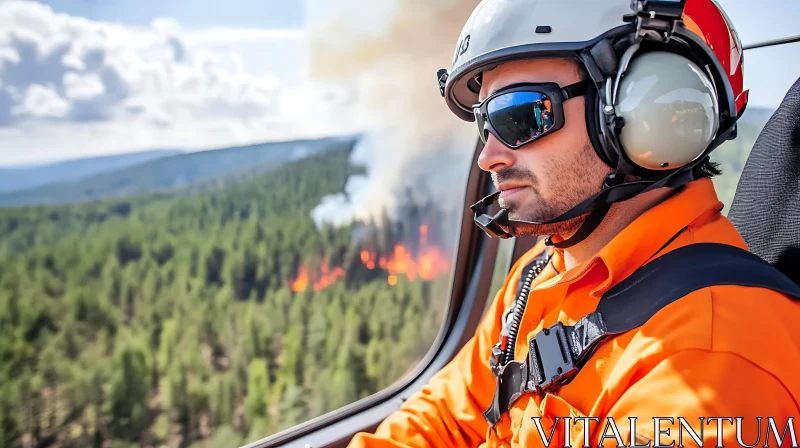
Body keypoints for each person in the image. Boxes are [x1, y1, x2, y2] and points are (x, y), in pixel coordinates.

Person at [348, 0, 800, 446]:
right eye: (484, 124)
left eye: (518, 116)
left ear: (646, 112)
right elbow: (442, 418)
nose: (488, 156)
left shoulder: (712, 361)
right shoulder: (542, 274)